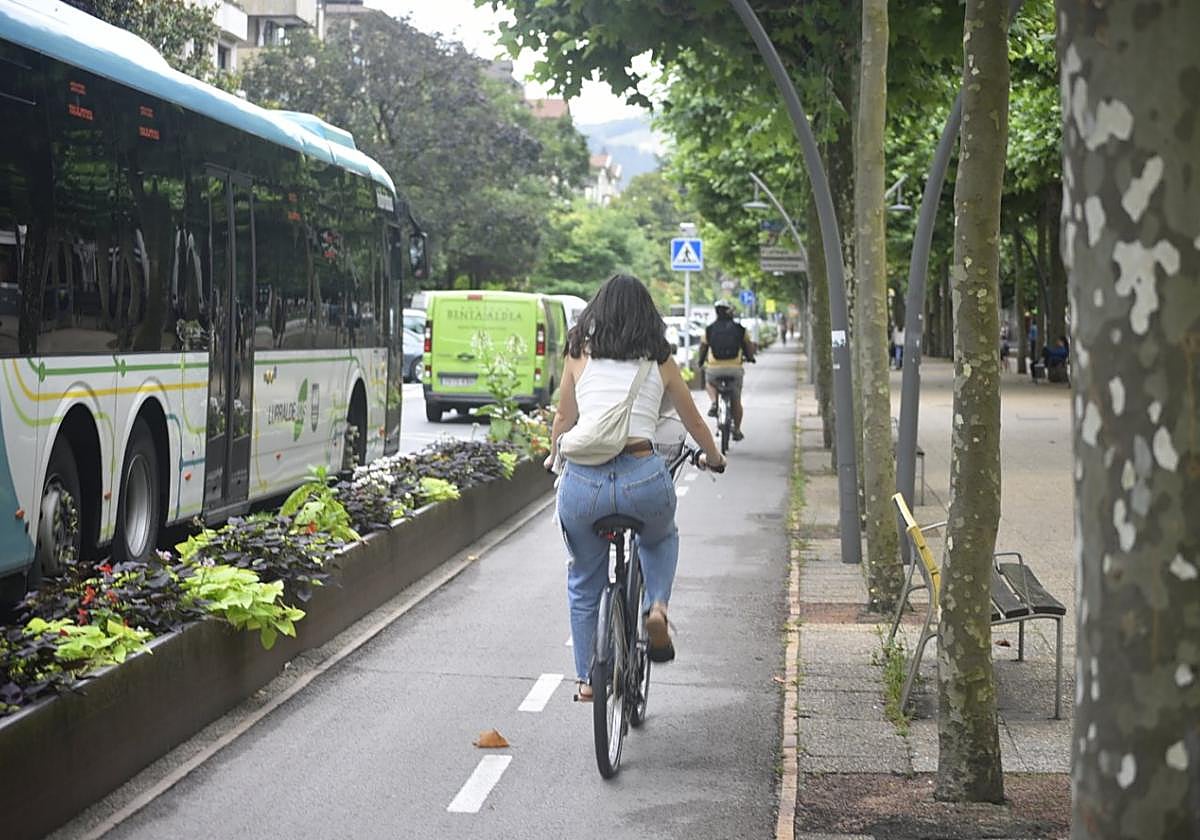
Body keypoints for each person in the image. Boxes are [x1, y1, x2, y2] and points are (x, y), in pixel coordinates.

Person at [546, 274, 726, 701]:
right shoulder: (659, 359)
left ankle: (588, 679)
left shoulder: (577, 353)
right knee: (660, 537)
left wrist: (554, 458)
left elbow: (563, 420)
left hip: (584, 483)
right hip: (643, 475)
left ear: (596, 313)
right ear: (649, 316)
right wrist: (714, 458)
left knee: (585, 577)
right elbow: (693, 422)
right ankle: (656, 608)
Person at [699, 299, 756, 440]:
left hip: (714, 369)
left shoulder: (709, 329)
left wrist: (701, 361)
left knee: (709, 383)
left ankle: (714, 402)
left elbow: (703, 348)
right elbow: (748, 347)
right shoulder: (740, 329)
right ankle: (736, 430)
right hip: (734, 369)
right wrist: (750, 358)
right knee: (736, 400)